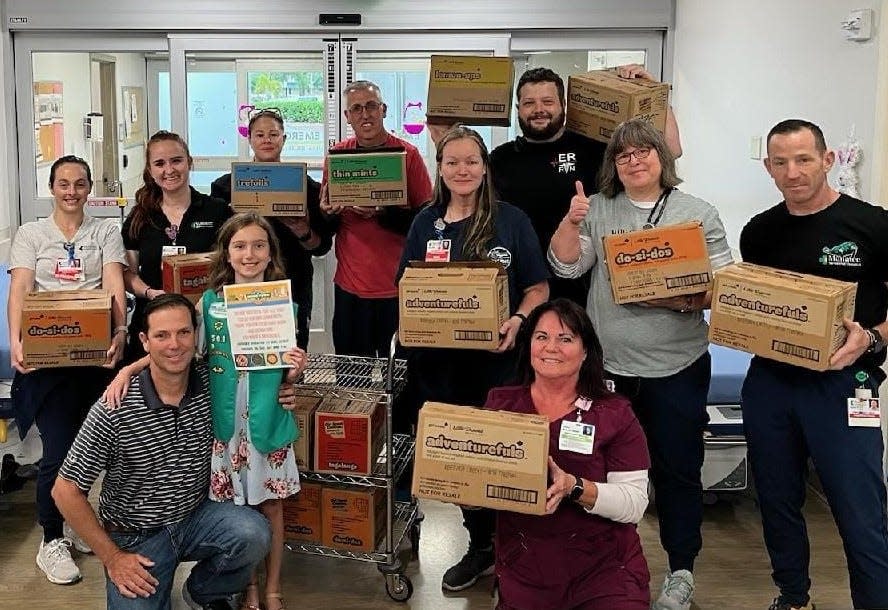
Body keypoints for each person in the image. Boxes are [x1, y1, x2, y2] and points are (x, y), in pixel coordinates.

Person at [549, 118, 733, 610]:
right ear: (613, 163)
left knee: (677, 471)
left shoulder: (697, 212)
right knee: (597, 472)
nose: (634, 160)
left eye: (644, 151)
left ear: (662, 157)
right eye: (623, 154)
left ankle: (680, 571)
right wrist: (570, 221)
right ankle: (599, 565)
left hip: (678, 367)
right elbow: (567, 267)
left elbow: (724, 287)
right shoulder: (600, 209)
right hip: (608, 371)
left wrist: (678, 300)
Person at [107, 214, 308, 610]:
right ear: (227, 254)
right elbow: (177, 349)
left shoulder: (284, 303)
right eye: (239, 246)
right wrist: (130, 368)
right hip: (226, 427)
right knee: (236, 509)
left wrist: (295, 373)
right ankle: (248, 587)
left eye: (258, 246)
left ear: (270, 254)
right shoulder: (212, 303)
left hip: (267, 423)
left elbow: (289, 369)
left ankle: (273, 588)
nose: (249, 254)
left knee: (271, 508)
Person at [739, 119, 888, 610]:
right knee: (777, 499)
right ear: (768, 168)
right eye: (780, 162)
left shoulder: (872, 225)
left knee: (858, 506)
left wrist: (871, 338)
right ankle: (794, 596)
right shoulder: (759, 233)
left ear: (827, 161)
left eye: (804, 159)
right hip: (771, 383)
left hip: (846, 383)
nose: (793, 171)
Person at [397, 125, 549, 591]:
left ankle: (517, 551)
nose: (462, 170)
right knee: (460, 460)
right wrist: (411, 322)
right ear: (440, 169)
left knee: (502, 459)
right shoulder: (426, 223)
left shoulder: (511, 220)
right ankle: (481, 546)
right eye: (452, 162)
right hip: (439, 368)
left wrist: (520, 321)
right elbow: (407, 286)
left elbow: (538, 286)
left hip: (498, 364)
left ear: (484, 168)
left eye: (471, 161)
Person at [53, 294, 275, 610]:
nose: (175, 343)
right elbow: (65, 491)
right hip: (135, 537)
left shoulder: (210, 381)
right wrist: (113, 558)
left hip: (195, 517)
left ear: (196, 335)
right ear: (144, 340)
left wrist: (289, 384)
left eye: (183, 332)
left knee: (254, 533)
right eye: (161, 335)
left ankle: (202, 593)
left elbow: (259, 379)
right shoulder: (114, 409)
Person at [7, 155, 128, 585]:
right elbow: (21, 289)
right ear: (52, 187)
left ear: (89, 188)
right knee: (57, 452)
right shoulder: (31, 233)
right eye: (63, 183)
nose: (71, 191)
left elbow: (113, 284)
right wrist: (18, 340)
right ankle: (51, 539)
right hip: (48, 360)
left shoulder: (104, 232)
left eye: (79, 184)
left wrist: (120, 332)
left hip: (95, 360)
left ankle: (76, 519)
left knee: (92, 450)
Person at [486, 298, 651, 610]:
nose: (551, 348)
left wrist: (574, 487)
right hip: (526, 567)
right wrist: (466, 492)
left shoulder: (614, 413)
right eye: (541, 337)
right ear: (529, 344)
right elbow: (480, 484)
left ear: (586, 350)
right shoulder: (500, 406)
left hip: (603, 570)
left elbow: (634, 504)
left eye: (565, 339)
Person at [487, 65, 683, 307]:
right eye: (529, 103)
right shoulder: (500, 159)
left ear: (563, 106)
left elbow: (670, 152)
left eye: (548, 102)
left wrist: (655, 95)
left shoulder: (592, 147)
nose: (539, 110)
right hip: (525, 287)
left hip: (588, 284)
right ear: (518, 109)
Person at [321, 79, 433, 357]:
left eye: (371, 106)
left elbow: (428, 223)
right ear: (347, 116)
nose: (365, 114)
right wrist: (326, 214)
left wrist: (383, 212)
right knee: (350, 381)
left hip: (398, 290)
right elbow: (326, 228)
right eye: (356, 108)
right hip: (351, 290)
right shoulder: (337, 157)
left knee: (399, 382)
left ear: (383, 109)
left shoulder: (408, 155)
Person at [210, 107, 333, 350]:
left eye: (274, 134)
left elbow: (321, 248)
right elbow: (216, 245)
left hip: (292, 285)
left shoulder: (307, 188)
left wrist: (303, 230)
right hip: (240, 287)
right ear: (249, 139)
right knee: (241, 355)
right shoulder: (225, 188)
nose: (267, 140)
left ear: (284, 139)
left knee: (291, 360)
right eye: (260, 135)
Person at [122, 130, 232, 361]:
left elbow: (233, 264)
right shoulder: (140, 217)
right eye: (160, 163)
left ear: (189, 163)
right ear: (150, 171)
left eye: (176, 161)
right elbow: (127, 274)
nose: (169, 170)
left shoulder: (217, 210)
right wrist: (151, 293)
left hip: (207, 323)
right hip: (154, 324)